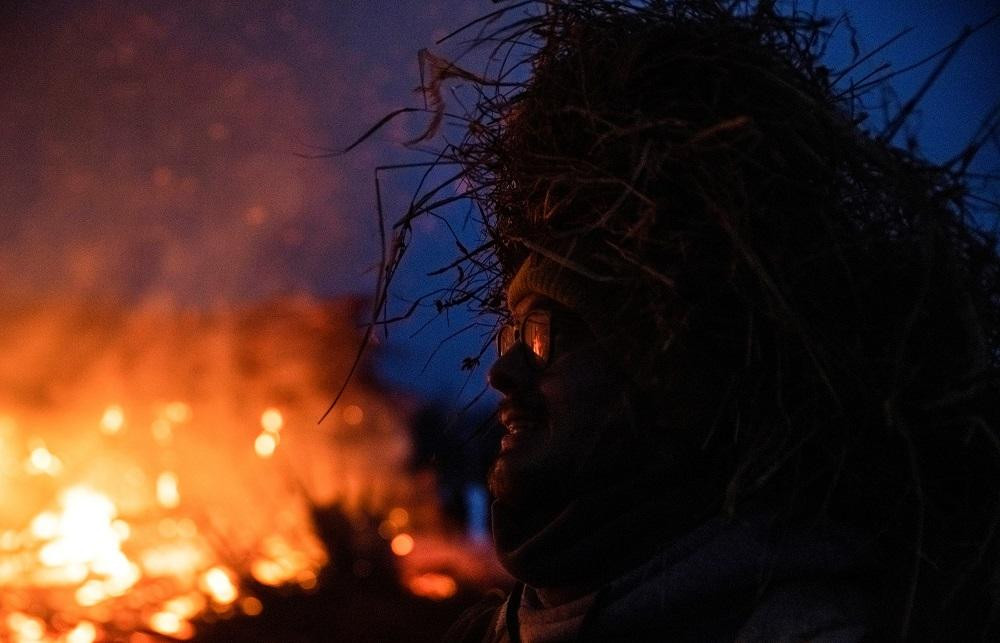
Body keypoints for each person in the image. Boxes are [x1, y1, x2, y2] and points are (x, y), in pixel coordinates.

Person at [406, 1, 1000, 640]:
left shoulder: (801, 630)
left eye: (546, 334)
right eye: (513, 332)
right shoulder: (485, 633)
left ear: (665, 372)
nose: (503, 370)